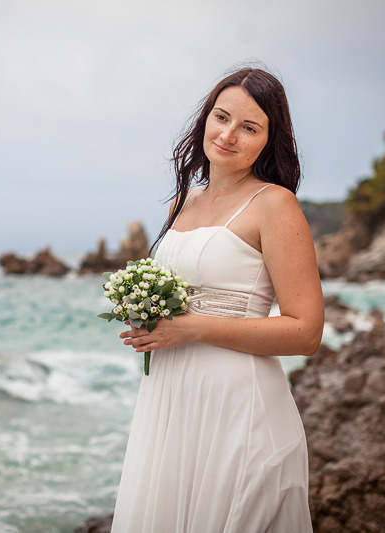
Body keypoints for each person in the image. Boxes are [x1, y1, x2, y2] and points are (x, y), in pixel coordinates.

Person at [111, 67, 323, 532]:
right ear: (205, 118)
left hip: (237, 406)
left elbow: (306, 332)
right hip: (170, 401)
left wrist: (193, 327)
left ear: (270, 140)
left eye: (250, 127)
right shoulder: (181, 204)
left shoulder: (274, 204)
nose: (228, 135)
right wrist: (148, 315)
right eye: (221, 117)